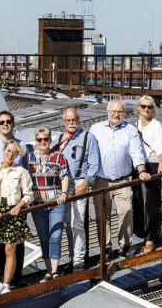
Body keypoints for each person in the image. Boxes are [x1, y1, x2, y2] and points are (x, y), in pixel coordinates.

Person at [87, 100, 146, 257]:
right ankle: (105, 248)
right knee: (102, 215)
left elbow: (136, 152)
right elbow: (89, 154)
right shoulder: (95, 129)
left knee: (126, 212)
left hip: (122, 180)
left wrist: (141, 170)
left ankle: (125, 245)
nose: (116, 114)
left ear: (124, 113)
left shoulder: (130, 129)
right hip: (101, 180)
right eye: (113, 111)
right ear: (107, 112)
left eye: (119, 112)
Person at [0, 141, 33, 297]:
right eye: (9, 151)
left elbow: (29, 194)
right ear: (3, 151)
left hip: (13, 211)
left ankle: (6, 285)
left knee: (9, 250)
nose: (11, 154)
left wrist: (19, 206)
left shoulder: (21, 171)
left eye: (15, 152)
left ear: (18, 155)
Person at [55, 108, 101, 272]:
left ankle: (79, 261)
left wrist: (85, 185)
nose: (71, 123)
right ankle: (72, 257)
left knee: (78, 222)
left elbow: (94, 164)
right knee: (67, 222)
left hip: (80, 182)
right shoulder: (60, 139)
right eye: (68, 121)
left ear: (78, 119)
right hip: (63, 186)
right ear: (64, 122)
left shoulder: (88, 137)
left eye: (73, 120)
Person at [26, 127, 70, 280]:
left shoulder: (58, 157)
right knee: (43, 237)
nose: (43, 142)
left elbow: (64, 176)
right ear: (36, 141)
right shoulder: (30, 158)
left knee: (55, 236)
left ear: (51, 140)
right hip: (38, 204)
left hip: (56, 202)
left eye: (46, 139)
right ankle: (48, 270)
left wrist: (64, 193)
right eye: (40, 139)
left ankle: (55, 270)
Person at [132, 96, 162, 253]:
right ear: (138, 107)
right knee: (139, 201)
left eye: (150, 107)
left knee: (150, 201)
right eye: (144, 106)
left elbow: (160, 146)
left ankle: (152, 237)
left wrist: (161, 164)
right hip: (138, 166)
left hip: (151, 164)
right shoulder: (134, 126)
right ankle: (144, 236)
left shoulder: (156, 125)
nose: (146, 109)